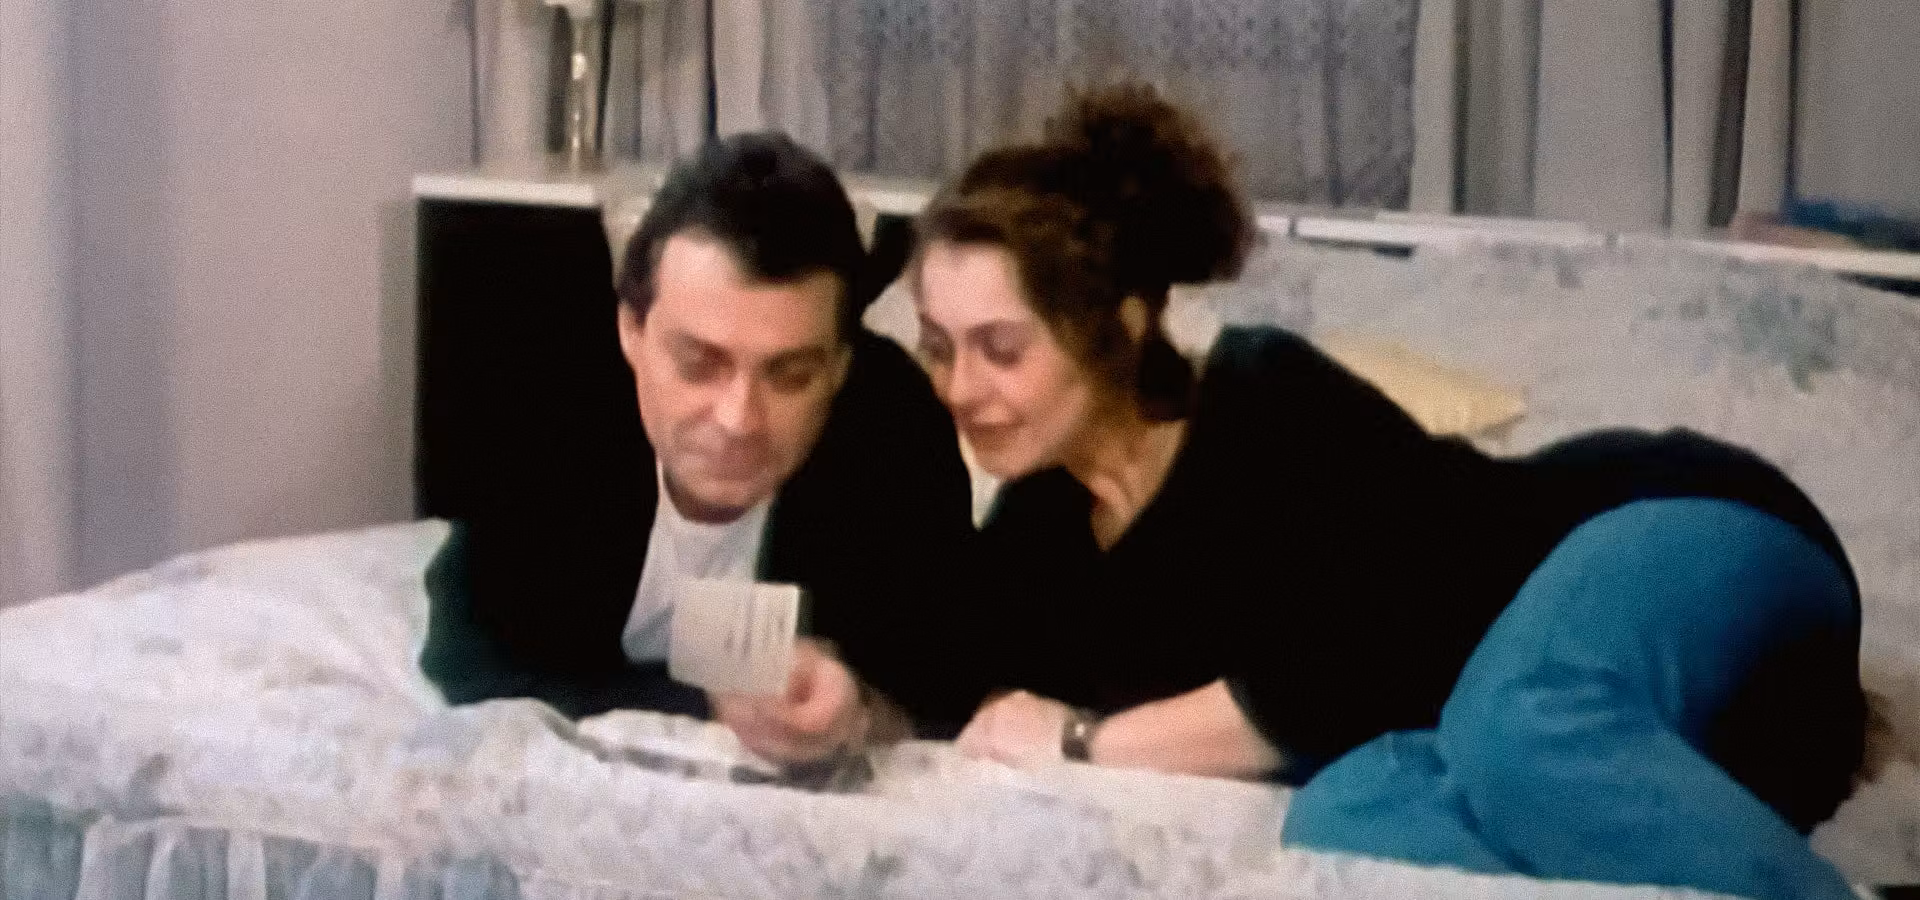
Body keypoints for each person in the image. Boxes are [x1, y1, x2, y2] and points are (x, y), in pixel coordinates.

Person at [910, 82, 1866, 900]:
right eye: (938, 347)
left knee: (1522, 721)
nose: (959, 388)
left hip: (1666, 526)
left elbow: (1324, 684)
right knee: (1344, 823)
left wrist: (1086, 740)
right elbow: (929, 664)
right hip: (1625, 735)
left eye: (1001, 349)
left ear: (1117, 325)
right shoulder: (1039, 530)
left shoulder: (1266, 397)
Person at [419, 132, 983, 758]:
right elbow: (464, 655)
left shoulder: (895, 432)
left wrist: (863, 713)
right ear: (632, 331)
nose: (739, 419)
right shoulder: (550, 406)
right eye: (698, 364)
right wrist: (700, 705)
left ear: (839, 368)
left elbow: (946, 682)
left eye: (790, 376)